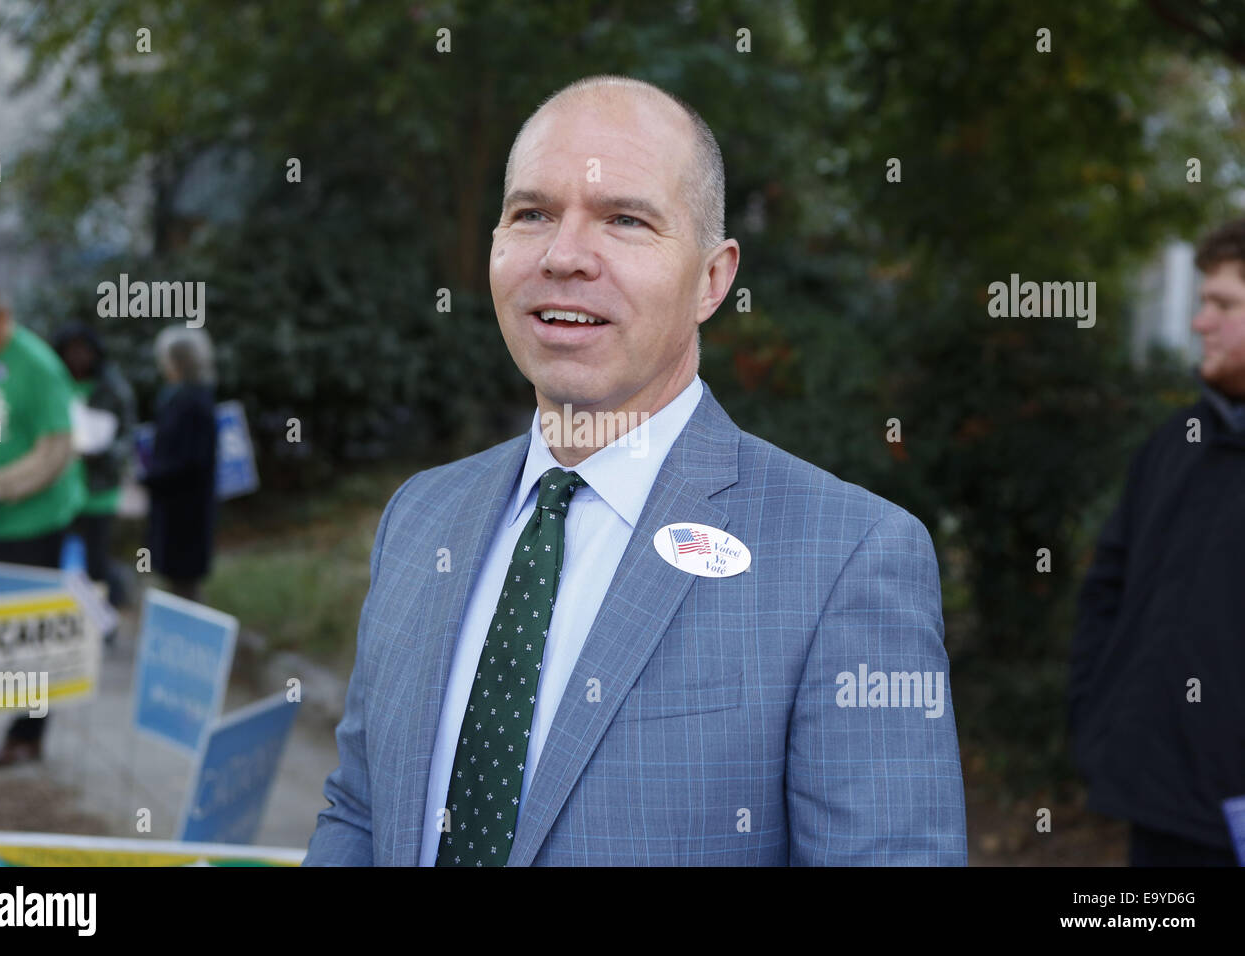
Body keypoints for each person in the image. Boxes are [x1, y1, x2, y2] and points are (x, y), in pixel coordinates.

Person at [305, 75, 966, 867]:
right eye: (532, 214)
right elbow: (360, 812)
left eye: (624, 219)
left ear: (712, 280)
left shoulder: (847, 559)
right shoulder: (419, 518)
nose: (564, 256)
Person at [1070, 219, 1245, 867]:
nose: (1200, 322)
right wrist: (1096, 728)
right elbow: (1105, 594)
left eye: (1223, 305)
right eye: (1201, 301)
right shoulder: (1175, 445)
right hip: (1160, 805)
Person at [0, 273, 84, 766]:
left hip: (31, 523)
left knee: (25, 632)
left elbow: (55, 452)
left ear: (0, 316)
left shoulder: (37, 364)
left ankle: (26, 735)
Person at [54, 323, 137, 621]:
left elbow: (128, 439)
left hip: (98, 490)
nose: (77, 357)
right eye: (70, 351)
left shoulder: (112, 388)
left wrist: (102, 452)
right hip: (59, 490)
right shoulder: (55, 383)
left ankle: (99, 622)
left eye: (83, 350)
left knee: (95, 563)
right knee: (60, 561)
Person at [140, 325, 217, 603]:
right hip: (175, 508)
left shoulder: (193, 402)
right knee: (178, 584)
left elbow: (189, 461)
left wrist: (149, 478)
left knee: (185, 586)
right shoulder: (178, 397)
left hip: (186, 511)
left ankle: (195, 641)